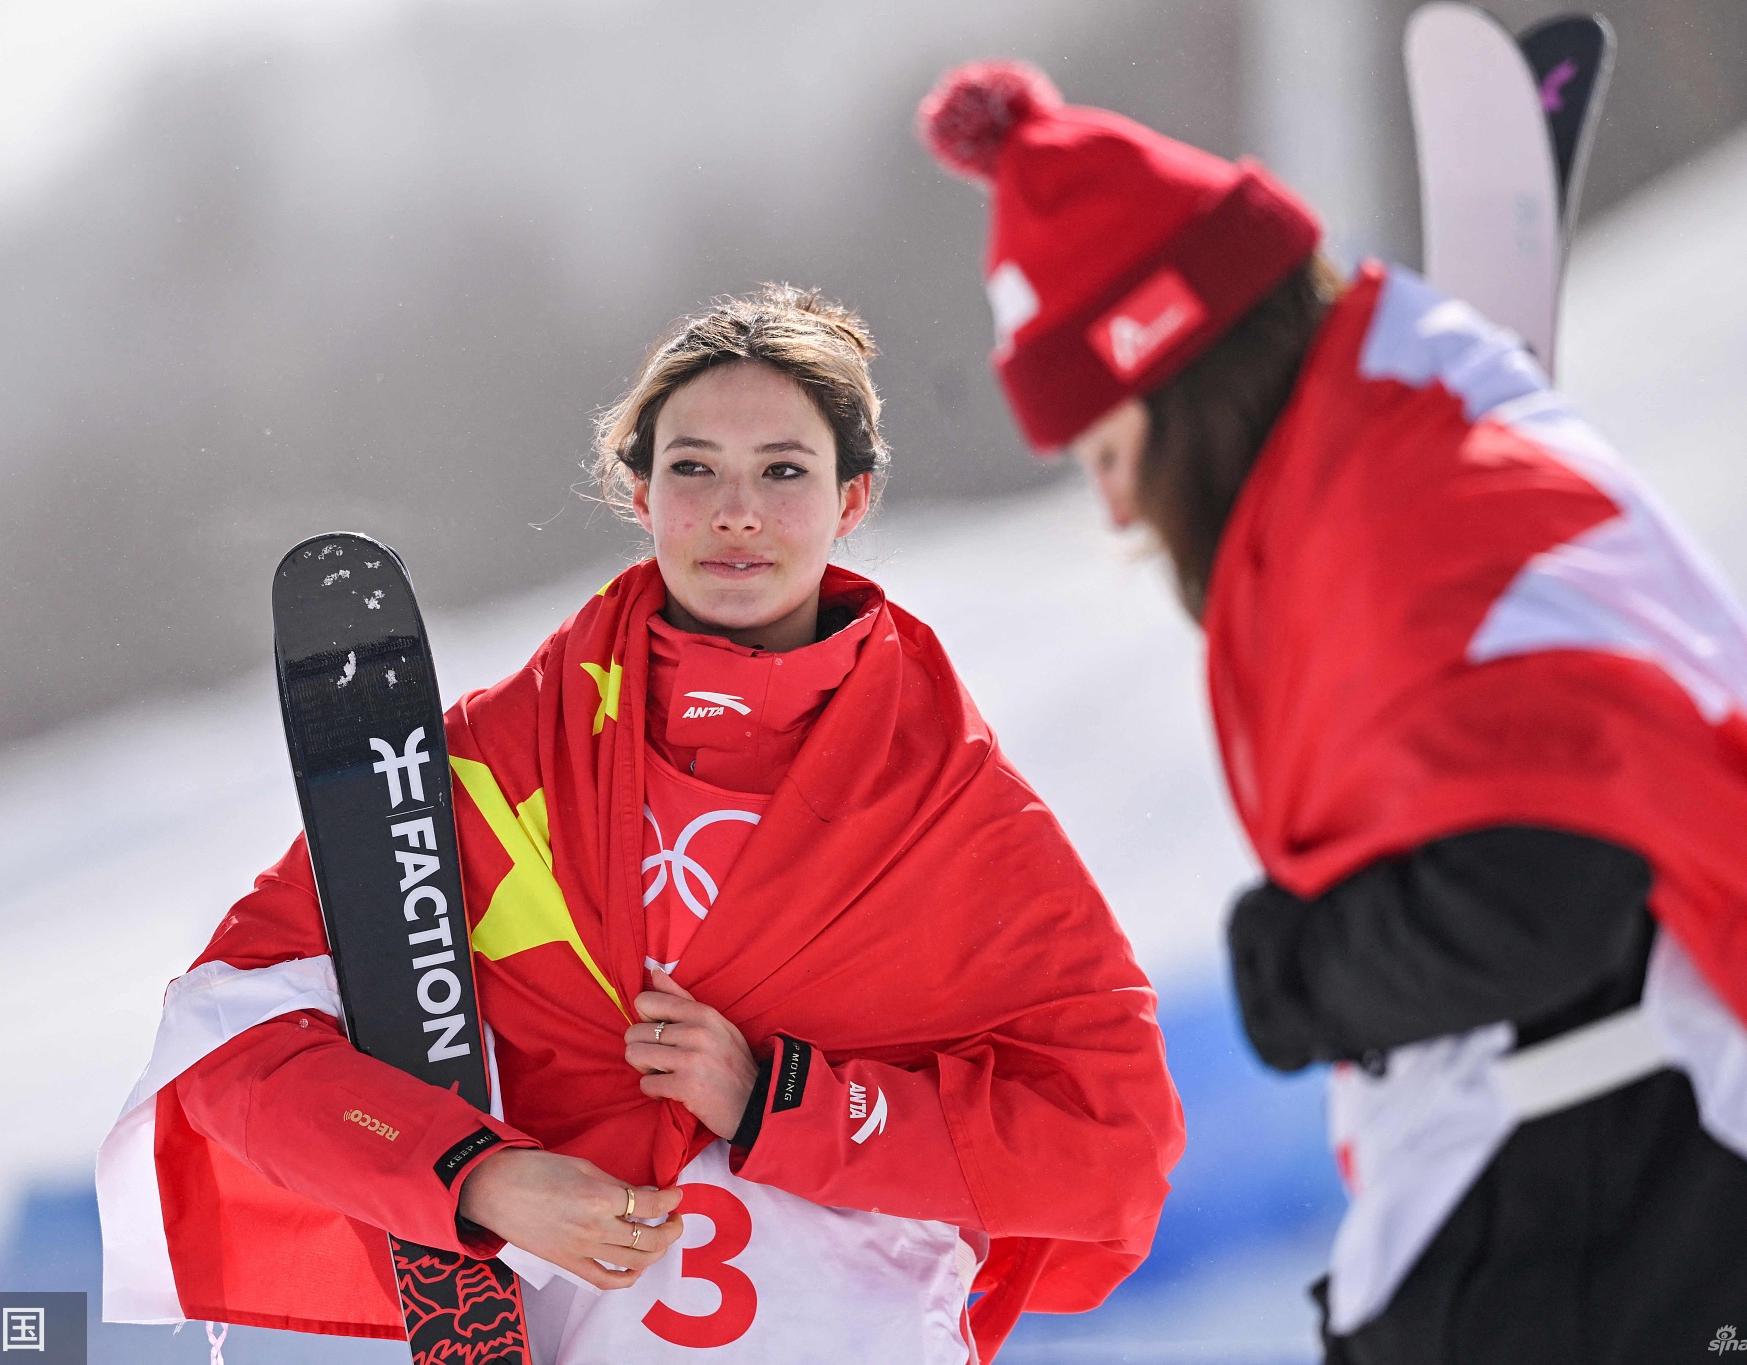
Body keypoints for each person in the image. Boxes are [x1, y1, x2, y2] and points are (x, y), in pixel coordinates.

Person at [916, 59, 1747, 1363]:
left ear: (1182, 385)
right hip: (1671, 1193)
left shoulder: (1404, 525)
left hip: (1684, 1199)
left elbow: (1539, 899)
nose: (1119, 515)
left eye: (1115, 457)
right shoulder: (1407, 454)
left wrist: (1291, 968)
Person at [96, 284, 1185, 1363]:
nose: (735, 511)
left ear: (852, 501)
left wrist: (778, 1103)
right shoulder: (492, 766)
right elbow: (232, 1036)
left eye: (784, 472)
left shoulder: (953, 811)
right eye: (692, 467)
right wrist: (473, 1175)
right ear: (639, 491)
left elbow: (1113, 1147)